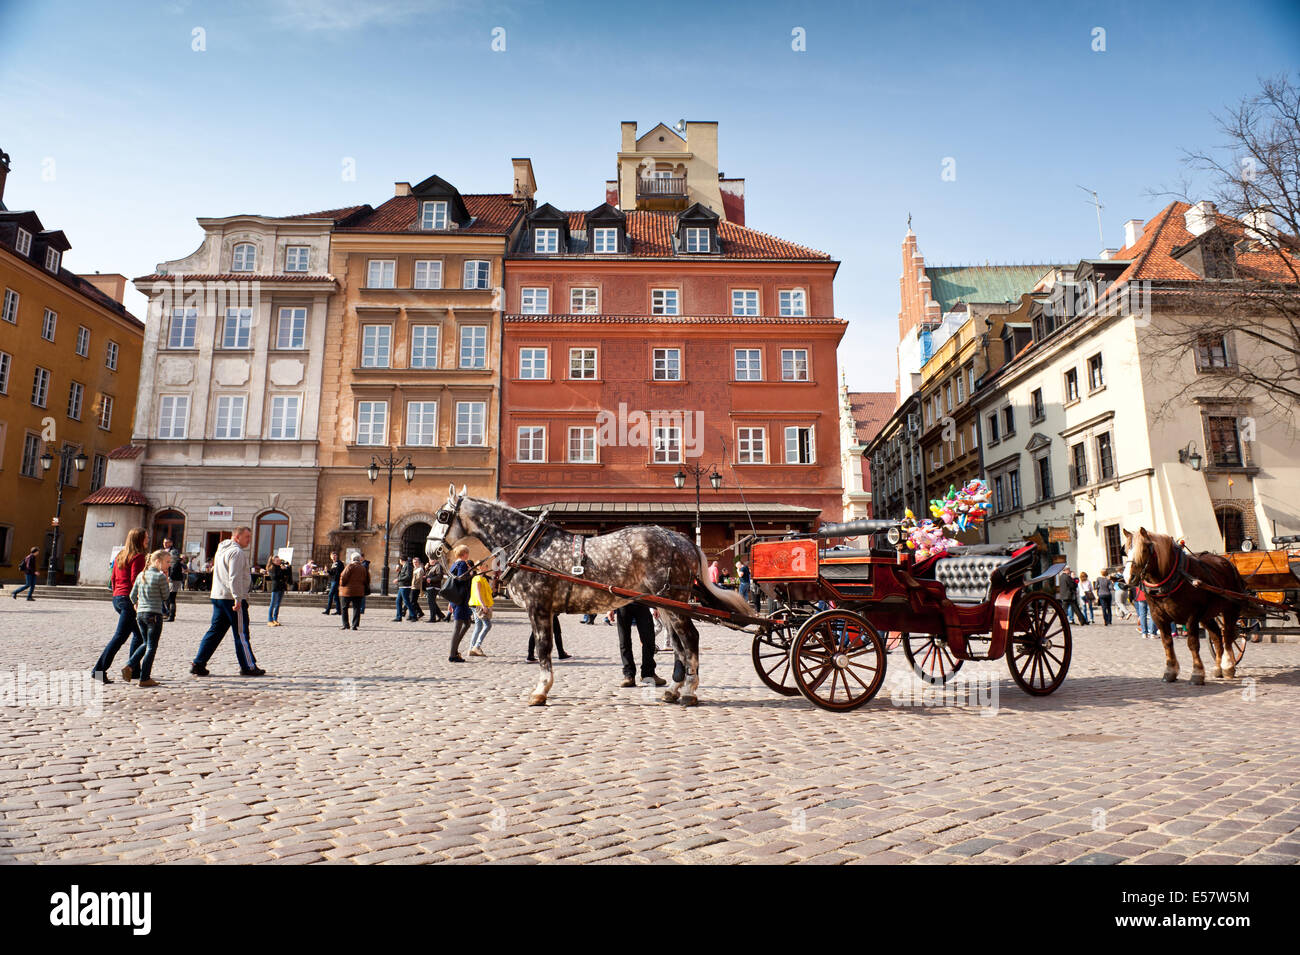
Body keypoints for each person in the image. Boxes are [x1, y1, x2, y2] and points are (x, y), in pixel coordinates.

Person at [191, 526, 264, 676]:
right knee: (241, 633)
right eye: (247, 537)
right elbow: (234, 576)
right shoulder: (236, 552)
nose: (249, 540)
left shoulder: (222, 549)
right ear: (237, 537)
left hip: (219, 595)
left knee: (215, 631)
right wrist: (238, 598)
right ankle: (248, 666)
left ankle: (199, 663)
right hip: (232, 598)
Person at [92, 528, 149, 682]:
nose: (147, 540)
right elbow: (135, 581)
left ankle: (135, 670)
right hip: (129, 600)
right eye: (145, 538)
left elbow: (113, 578)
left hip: (118, 598)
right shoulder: (138, 557)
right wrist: (139, 600)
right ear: (139, 540)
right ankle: (98, 671)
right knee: (120, 637)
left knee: (139, 635)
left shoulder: (120, 556)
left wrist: (118, 594)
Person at [123, 550, 171, 687]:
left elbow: (132, 596)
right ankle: (144, 678)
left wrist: (137, 605)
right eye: (167, 562)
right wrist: (166, 581)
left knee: (145, 643)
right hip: (154, 615)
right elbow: (166, 596)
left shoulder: (141, 575)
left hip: (141, 615)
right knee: (151, 646)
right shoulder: (160, 577)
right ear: (158, 561)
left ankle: (130, 665)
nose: (169, 565)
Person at [616, 601, 666, 687]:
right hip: (622, 603)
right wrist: (610, 609)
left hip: (642, 602)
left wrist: (655, 606)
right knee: (624, 641)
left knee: (649, 640)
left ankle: (648, 674)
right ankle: (629, 675)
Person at [446, 546, 474, 662]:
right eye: (467, 552)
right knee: (457, 627)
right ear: (465, 553)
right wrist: (471, 574)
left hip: (456, 599)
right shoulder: (462, 564)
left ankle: (455, 649)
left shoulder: (454, 564)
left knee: (467, 624)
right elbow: (461, 579)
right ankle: (452, 654)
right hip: (461, 600)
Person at [467, 570, 494, 656]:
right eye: (485, 566)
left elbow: (488, 592)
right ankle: (477, 646)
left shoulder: (483, 579)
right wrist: (483, 605)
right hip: (479, 605)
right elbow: (478, 593)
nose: (487, 568)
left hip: (477, 604)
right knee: (487, 625)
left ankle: (471, 649)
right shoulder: (478, 578)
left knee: (478, 626)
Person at [338, 554, 369, 630]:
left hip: (347, 591)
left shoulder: (349, 566)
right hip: (359, 591)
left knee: (344, 607)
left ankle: (346, 624)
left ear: (352, 559)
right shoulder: (363, 568)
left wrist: (342, 584)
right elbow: (367, 579)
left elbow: (343, 576)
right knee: (357, 608)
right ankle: (354, 625)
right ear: (359, 559)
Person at [267, 555, 291, 626]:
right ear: (273, 561)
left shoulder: (280, 567)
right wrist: (281, 570)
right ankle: (270, 620)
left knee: (278, 604)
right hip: (275, 587)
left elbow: (287, 574)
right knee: (272, 604)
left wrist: (288, 568)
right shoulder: (272, 568)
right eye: (277, 561)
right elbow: (274, 577)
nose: (279, 562)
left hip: (282, 587)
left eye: (279, 560)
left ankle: (275, 619)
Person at [393, 556, 415, 622]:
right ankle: (399, 617)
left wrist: (398, 579)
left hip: (405, 586)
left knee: (406, 601)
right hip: (402, 586)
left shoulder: (408, 566)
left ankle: (413, 615)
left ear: (401, 560)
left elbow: (408, 576)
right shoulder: (404, 566)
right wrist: (399, 571)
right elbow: (403, 575)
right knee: (398, 601)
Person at [323, 551, 343, 615]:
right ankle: (339, 611)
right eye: (332, 556)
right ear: (331, 557)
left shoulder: (339, 563)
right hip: (333, 581)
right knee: (336, 597)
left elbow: (338, 573)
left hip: (336, 581)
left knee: (330, 595)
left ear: (337, 556)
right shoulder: (333, 564)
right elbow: (332, 573)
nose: (334, 557)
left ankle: (328, 610)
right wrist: (327, 571)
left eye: (335, 555)